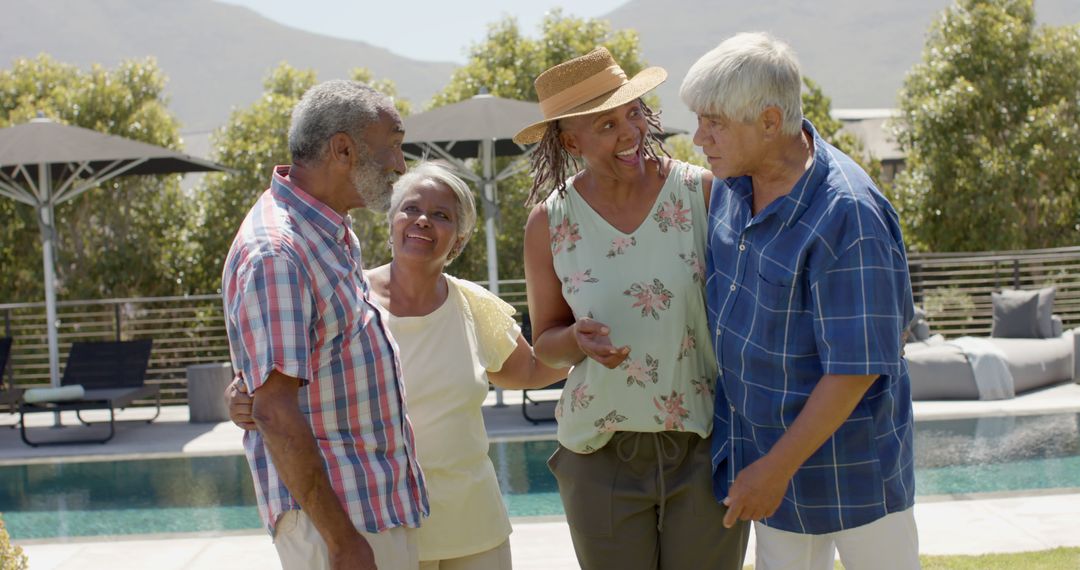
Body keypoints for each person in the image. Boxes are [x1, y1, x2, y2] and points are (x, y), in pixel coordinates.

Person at [229, 160, 569, 570]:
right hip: (387, 526)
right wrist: (237, 396)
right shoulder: (347, 300)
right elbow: (276, 370)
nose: (423, 220)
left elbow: (531, 370)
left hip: (475, 524)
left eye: (441, 215)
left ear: (458, 240)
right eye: (410, 209)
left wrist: (593, 344)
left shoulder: (474, 306)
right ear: (391, 224)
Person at [679, 32, 920, 569]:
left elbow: (855, 369)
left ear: (769, 121)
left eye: (714, 121)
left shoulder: (849, 216)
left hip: (850, 475)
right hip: (768, 469)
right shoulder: (730, 190)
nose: (699, 137)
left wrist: (774, 470)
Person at [517, 47, 749, 569]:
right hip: (599, 455)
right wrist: (576, 340)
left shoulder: (702, 193)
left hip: (703, 443)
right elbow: (546, 345)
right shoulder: (548, 223)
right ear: (569, 140)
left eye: (634, 112)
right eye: (606, 124)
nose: (630, 132)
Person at [221, 79, 427, 570]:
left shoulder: (329, 231)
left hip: (367, 512)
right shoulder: (277, 251)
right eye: (394, 146)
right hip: (338, 527)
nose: (401, 165)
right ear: (343, 149)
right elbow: (273, 411)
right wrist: (341, 541)